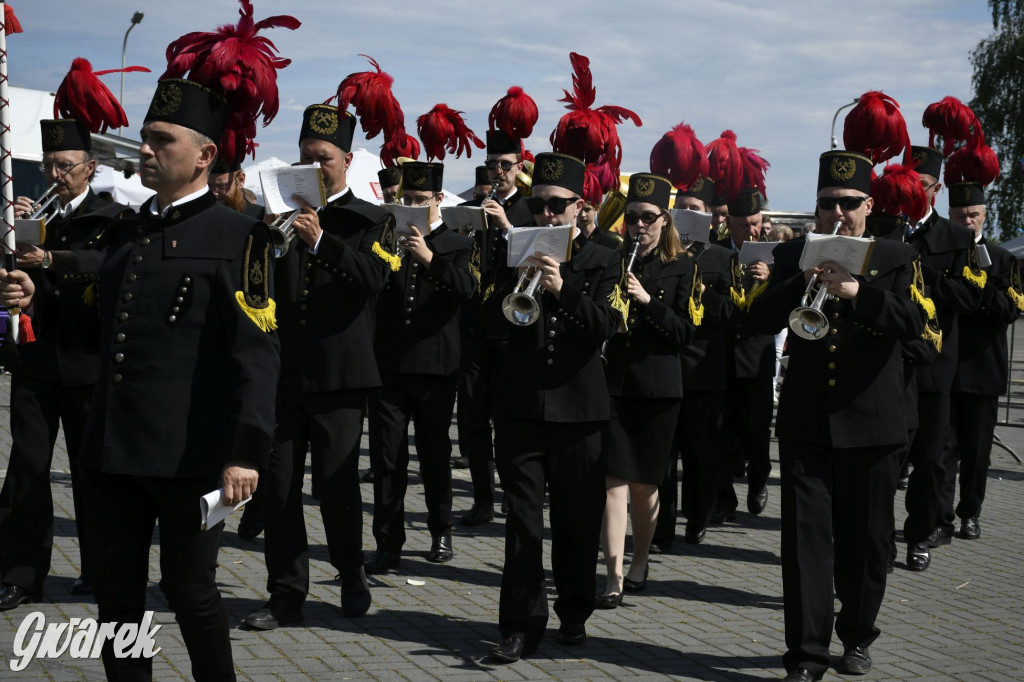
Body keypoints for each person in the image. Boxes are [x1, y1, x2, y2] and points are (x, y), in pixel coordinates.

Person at [2, 76, 281, 680]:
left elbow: (256, 356)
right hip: (111, 451)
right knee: (118, 604)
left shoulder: (242, 238)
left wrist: (245, 453)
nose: (146, 150)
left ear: (206, 155)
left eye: (161, 139)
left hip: (190, 456)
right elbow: (104, 328)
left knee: (192, 595)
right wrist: (40, 301)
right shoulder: (129, 227)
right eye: (144, 139)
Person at [747, 150, 925, 681]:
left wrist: (857, 292)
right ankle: (804, 655)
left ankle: (857, 635)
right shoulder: (794, 254)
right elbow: (755, 317)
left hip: (872, 423)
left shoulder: (896, 255)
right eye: (828, 204)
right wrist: (800, 279)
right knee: (803, 545)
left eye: (849, 203)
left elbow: (913, 322)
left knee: (867, 543)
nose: (838, 213)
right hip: (809, 421)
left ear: (868, 204)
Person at [243, 103, 397, 630]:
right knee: (279, 487)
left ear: (348, 160)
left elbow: (375, 279)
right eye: (306, 157)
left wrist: (322, 241)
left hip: (341, 378)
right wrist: (266, 236)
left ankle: (351, 574)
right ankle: (286, 592)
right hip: (285, 375)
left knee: (336, 486)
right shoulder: (277, 214)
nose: (314, 167)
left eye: (324, 159)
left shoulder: (373, 219)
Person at [484, 152, 620, 662]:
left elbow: (607, 326)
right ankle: (519, 625)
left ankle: (575, 612)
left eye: (556, 206)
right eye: (537, 205)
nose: (545, 215)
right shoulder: (513, 247)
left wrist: (562, 288)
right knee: (522, 523)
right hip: (519, 406)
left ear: (579, 206)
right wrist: (513, 277)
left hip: (580, 412)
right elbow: (487, 325)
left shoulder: (605, 255)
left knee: (574, 522)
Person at [0, 109, 129, 609]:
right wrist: (11, 232)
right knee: (26, 468)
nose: (56, 174)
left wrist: (51, 258)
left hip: (85, 359)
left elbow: (107, 267)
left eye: (66, 165)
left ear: (90, 167)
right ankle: (20, 573)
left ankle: (101, 568)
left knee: (89, 472)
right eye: (51, 164)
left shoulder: (110, 216)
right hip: (34, 358)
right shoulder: (29, 216)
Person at [366, 161, 475, 572]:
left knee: (434, 454)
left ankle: (441, 530)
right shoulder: (387, 238)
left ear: (438, 200)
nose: (411, 206)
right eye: (405, 200)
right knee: (387, 457)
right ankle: (388, 542)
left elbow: (467, 289)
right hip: (389, 364)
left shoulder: (456, 243)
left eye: (419, 200)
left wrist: (429, 256)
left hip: (435, 367)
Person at [598, 173, 698, 607]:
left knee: (645, 486)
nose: (638, 226)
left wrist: (646, 301)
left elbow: (685, 332)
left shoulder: (683, 266)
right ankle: (613, 575)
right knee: (613, 482)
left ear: (665, 219)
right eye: (631, 217)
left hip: (659, 389)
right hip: (615, 383)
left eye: (646, 218)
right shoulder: (613, 258)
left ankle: (640, 559)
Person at [902, 145, 983, 570]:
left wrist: (924, 275)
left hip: (934, 365)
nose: (915, 193)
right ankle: (874, 538)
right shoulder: (885, 229)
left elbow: (970, 295)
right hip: (890, 366)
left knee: (931, 460)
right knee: (886, 459)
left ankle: (919, 535)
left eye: (923, 186)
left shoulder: (956, 238)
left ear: (935, 190)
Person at [653, 178, 743, 549]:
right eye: (682, 208)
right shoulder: (661, 250)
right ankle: (662, 529)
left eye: (695, 209)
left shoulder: (723, 257)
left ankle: (698, 516)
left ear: (709, 216)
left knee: (701, 452)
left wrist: (702, 290)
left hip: (703, 370)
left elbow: (733, 314)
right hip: (664, 365)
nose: (687, 214)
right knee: (662, 455)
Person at [457, 129, 534, 527]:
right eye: (493, 166)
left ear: (520, 169)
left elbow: (536, 255)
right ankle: (482, 498)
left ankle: (512, 493)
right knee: (472, 417)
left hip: (511, 328)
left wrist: (505, 226)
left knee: (507, 417)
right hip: (474, 326)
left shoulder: (530, 209)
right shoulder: (476, 205)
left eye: (506, 166)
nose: (499, 172)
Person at [940, 181, 1020, 541]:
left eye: (973, 215)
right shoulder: (939, 254)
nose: (966, 221)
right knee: (942, 452)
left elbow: (1012, 308)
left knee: (977, 453)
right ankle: (940, 518)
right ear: (949, 216)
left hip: (984, 369)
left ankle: (970, 512)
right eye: (959, 215)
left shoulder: (1003, 259)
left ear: (984, 216)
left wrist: (981, 285)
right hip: (944, 368)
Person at [714, 187, 775, 520]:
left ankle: (759, 479)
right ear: (729, 223)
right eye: (744, 224)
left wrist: (771, 278)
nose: (751, 230)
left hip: (757, 359)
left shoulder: (775, 254)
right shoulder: (717, 251)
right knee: (722, 432)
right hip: (722, 357)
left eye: (756, 222)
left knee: (757, 431)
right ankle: (723, 500)